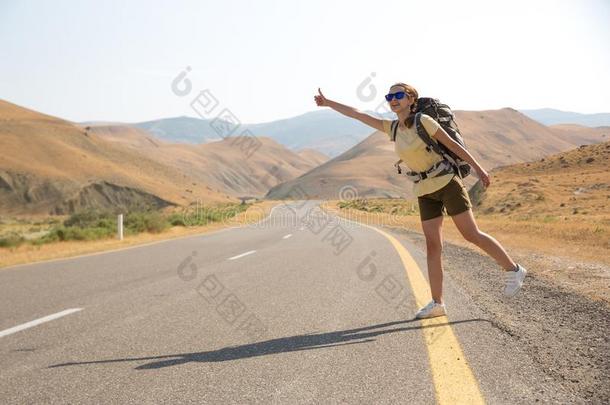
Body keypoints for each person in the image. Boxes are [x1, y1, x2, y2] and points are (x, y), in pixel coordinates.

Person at [314, 83, 527, 319]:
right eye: (389, 96)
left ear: (410, 99)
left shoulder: (423, 121)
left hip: (446, 182)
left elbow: (452, 145)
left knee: (471, 234)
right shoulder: (392, 128)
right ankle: (438, 303)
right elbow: (357, 114)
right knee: (432, 246)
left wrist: (479, 169)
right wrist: (329, 103)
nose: (393, 99)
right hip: (423, 190)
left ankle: (513, 269)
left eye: (398, 95)